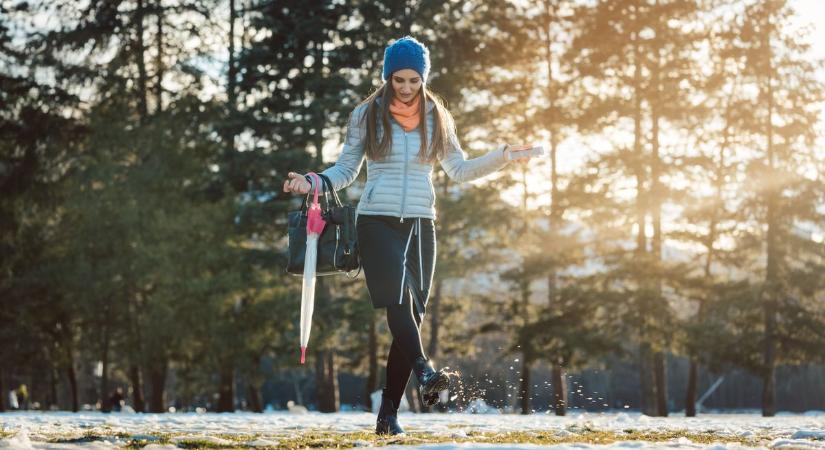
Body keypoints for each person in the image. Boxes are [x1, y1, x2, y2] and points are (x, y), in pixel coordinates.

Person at [282, 36, 536, 435]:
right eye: (398, 79)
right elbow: (346, 169)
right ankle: (424, 371)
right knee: (397, 300)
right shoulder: (366, 114)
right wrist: (312, 181)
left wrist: (503, 157)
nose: (405, 87)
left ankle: (388, 416)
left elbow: (459, 169)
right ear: (387, 77)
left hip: (421, 223)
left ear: (423, 78)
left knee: (411, 317)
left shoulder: (438, 118)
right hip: (375, 219)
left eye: (413, 80)